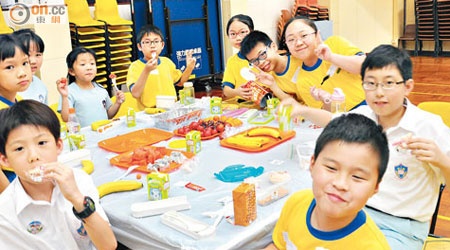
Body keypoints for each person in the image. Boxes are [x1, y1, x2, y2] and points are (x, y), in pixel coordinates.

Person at [279, 45, 450, 249]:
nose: (378, 93)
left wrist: (441, 160)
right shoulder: (364, 115)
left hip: (400, 227)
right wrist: (302, 110)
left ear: (408, 86)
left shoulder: (430, 126)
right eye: (370, 84)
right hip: (355, 213)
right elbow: (333, 119)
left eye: (388, 84)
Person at [0, 100, 117, 249]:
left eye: (41, 143)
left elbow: (108, 245)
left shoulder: (79, 180)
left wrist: (77, 199)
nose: (33, 156)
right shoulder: (4, 212)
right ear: (4, 160)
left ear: (58, 146)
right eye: (19, 149)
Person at [263, 113, 390, 250]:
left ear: (375, 186)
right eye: (331, 168)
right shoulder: (296, 203)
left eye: (357, 177)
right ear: (312, 164)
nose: (340, 184)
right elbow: (279, 245)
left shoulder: (371, 246)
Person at [255, 17, 366, 111]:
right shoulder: (303, 81)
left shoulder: (335, 43)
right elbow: (325, 113)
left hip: (372, 106)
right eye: (291, 39)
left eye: (303, 36)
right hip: (345, 120)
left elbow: (365, 67)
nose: (298, 43)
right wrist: (326, 99)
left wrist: (332, 57)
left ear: (317, 35)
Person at [126, 24, 196, 110]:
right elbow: (135, 93)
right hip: (149, 113)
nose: (152, 45)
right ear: (140, 46)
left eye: (156, 41)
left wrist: (189, 68)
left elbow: (180, 82)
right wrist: (146, 71)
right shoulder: (135, 67)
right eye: (147, 42)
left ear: (162, 45)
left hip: (171, 109)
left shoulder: (167, 62)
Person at [57, 47, 125, 127]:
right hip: (83, 137)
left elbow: (109, 115)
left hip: (103, 132)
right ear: (72, 71)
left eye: (92, 63)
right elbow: (66, 119)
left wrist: (117, 103)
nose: (89, 68)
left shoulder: (100, 88)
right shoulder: (69, 92)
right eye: (83, 64)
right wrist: (64, 97)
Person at [0, 34, 32, 192]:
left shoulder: (17, 100)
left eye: (25, 63)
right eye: (10, 67)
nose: (22, 72)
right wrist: (10, 197)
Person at [240, 30, 303, 102]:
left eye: (262, 55)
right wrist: (272, 85)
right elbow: (292, 103)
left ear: (273, 47)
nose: (261, 62)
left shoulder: (299, 60)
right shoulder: (268, 77)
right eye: (254, 61)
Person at [222, 14, 255, 100]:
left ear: (252, 32)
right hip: (243, 107)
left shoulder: (264, 58)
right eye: (233, 34)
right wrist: (237, 92)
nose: (238, 38)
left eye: (243, 32)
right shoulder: (232, 61)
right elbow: (226, 90)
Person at [14, 29, 49, 104]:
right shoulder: (8, 89)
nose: (33, 61)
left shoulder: (40, 85)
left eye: (38, 55)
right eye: (28, 55)